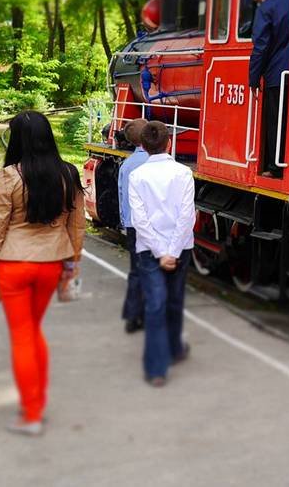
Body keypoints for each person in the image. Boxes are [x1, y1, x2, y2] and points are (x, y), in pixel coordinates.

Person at [0, 110, 84, 436]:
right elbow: (76, 225)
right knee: (33, 330)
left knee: (22, 336)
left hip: (13, 264)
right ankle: (36, 402)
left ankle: (32, 413)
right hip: (51, 263)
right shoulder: (68, 173)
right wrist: (72, 263)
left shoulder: (10, 175)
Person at [127, 120, 195, 386]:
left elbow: (139, 220)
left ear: (143, 146)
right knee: (175, 300)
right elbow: (187, 216)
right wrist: (173, 251)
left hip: (149, 250)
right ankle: (175, 348)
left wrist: (160, 252)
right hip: (180, 248)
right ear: (169, 142)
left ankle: (156, 369)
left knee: (155, 305)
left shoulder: (137, 176)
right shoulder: (184, 173)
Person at [247, 0, 289, 179]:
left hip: (276, 72)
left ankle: (275, 166)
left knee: (275, 120)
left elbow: (261, 45)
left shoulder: (267, 7)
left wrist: (254, 78)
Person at [117, 119, 150, 333]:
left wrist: (124, 221)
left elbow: (122, 194)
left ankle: (132, 316)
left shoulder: (127, 165)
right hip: (154, 226)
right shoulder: (156, 163)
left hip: (133, 225)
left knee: (135, 270)